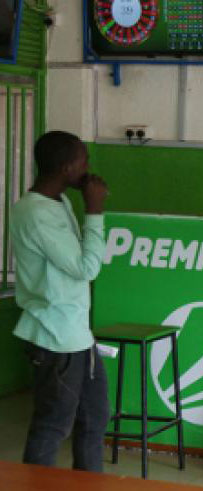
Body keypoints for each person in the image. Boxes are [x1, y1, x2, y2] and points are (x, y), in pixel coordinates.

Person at [11, 130, 110, 471]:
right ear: (68, 167)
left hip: (76, 335)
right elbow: (86, 267)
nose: (89, 166)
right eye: (84, 159)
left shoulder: (59, 202)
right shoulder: (36, 213)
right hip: (55, 337)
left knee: (94, 420)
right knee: (52, 426)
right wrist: (95, 210)